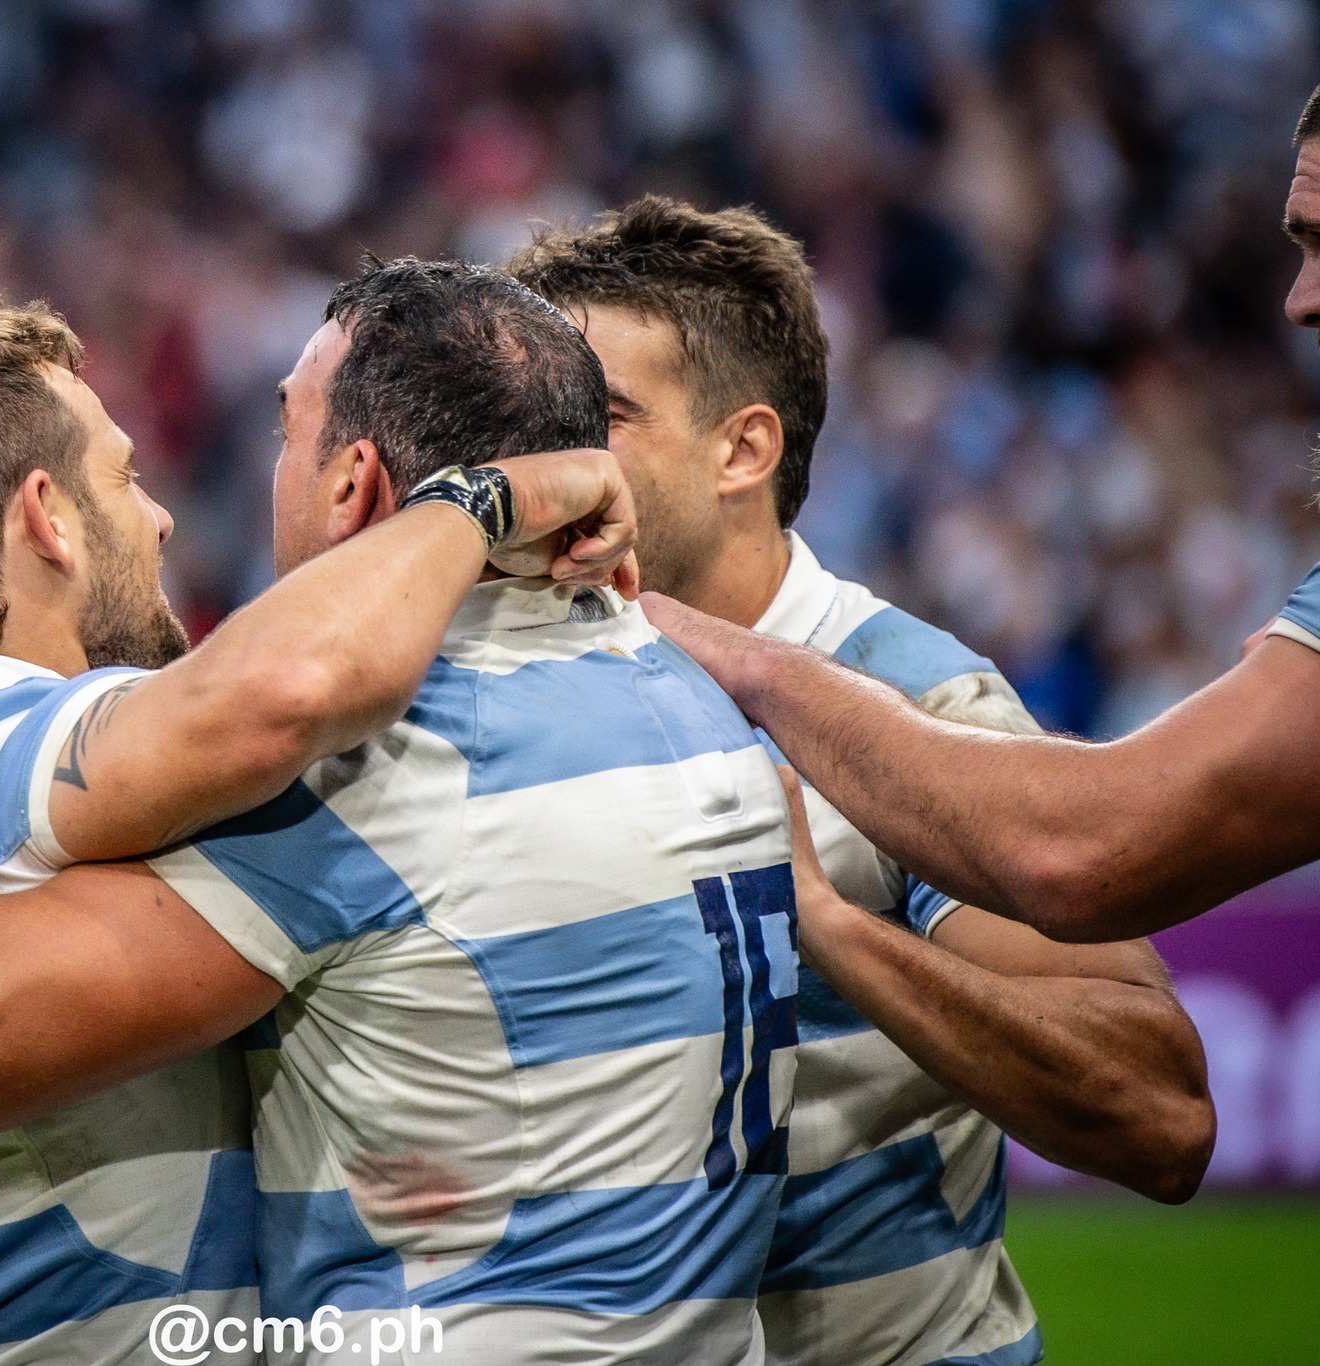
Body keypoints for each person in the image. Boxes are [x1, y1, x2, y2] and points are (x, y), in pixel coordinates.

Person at [0, 259, 803, 1365]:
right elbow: (267, 691)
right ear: (47, 521)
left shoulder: (362, 768)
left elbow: (272, 695)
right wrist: (495, 496)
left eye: (282, 438)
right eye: (123, 477)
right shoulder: (704, 715)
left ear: (354, 486)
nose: (163, 517)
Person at [504, 198, 1213, 1366]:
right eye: (535, 417)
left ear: (742, 449)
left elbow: (1159, 1112)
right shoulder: (517, 677)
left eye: (600, 416)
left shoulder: (914, 700)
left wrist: (825, 925)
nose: (550, 456)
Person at [635, 94, 1320, 948]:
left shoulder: (915, 678)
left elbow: (1088, 854)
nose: (1300, 300)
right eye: (1300, 248)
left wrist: (758, 666)